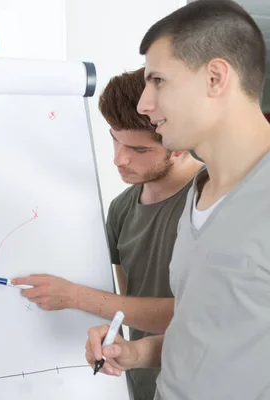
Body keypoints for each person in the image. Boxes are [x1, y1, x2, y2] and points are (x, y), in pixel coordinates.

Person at [84, 1, 270, 399]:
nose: (143, 104)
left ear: (215, 77)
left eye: (159, 81)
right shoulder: (199, 196)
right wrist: (136, 351)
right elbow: (202, 336)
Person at [12, 67, 202, 399]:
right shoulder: (121, 208)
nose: (118, 159)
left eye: (139, 150)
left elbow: (196, 316)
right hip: (144, 385)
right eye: (114, 139)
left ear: (179, 144)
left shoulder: (215, 203)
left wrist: (74, 296)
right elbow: (127, 307)